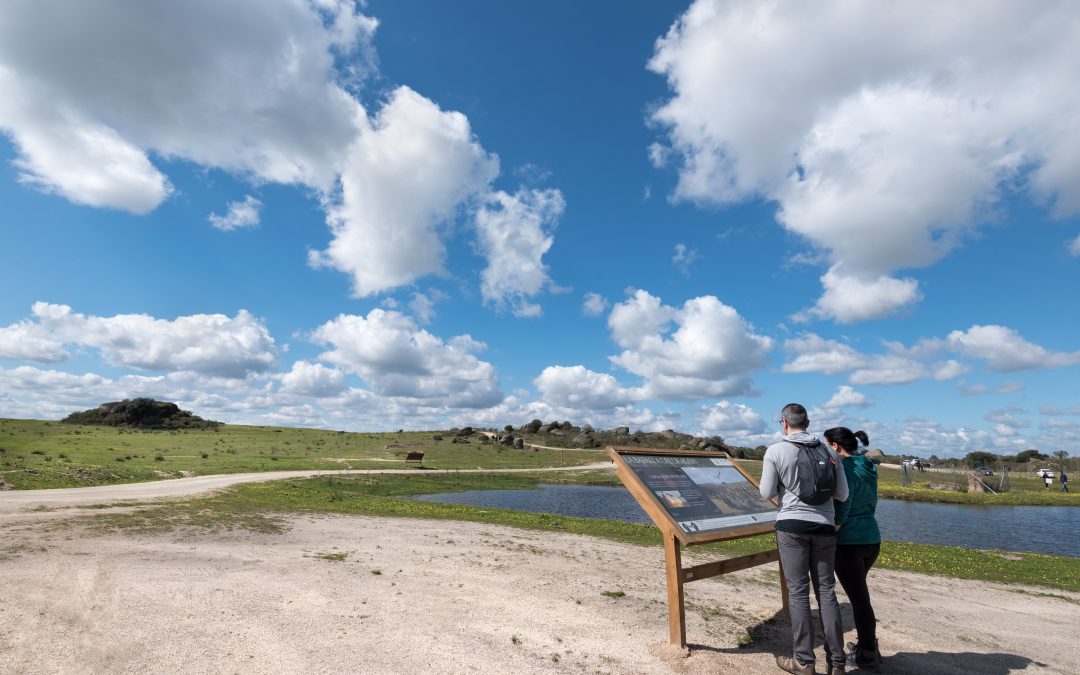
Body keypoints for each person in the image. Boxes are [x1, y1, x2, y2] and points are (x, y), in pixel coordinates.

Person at [760, 403, 849, 675]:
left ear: (784, 423)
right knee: (827, 592)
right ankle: (837, 662)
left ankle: (804, 661)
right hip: (824, 527)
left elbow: (765, 492)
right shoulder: (829, 452)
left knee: (798, 592)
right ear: (807, 423)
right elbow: (843, 494)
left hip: (792, 527)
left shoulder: (776, 451)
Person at [825, 427, 882, 671]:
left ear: (835, 446)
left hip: (850, 542)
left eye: (826, 445)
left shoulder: (844, 468)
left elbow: (844, 506)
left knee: (859, 600)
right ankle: (867, 646)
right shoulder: (867, 465)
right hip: (871, 538)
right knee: (860, 596)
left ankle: (868, 653)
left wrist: (831, 532)